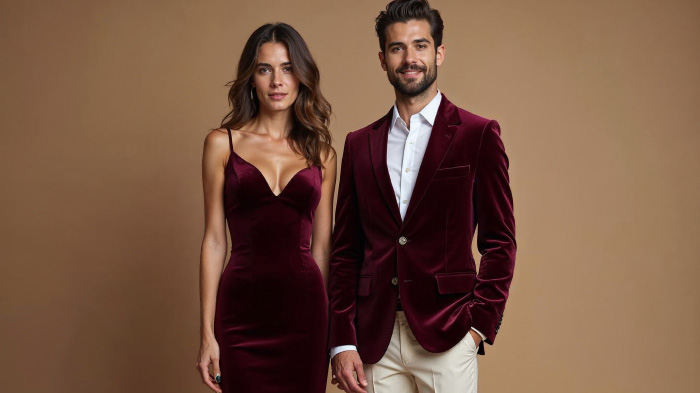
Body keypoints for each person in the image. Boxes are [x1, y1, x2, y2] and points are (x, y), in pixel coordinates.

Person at [329, 1, 516, 392]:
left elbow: (500, 241)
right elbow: (345, 250)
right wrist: (342, 339)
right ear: (383, 59)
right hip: (375, 339)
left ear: (439, 53)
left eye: (420, 45)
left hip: (448, 333)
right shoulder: (359, 144)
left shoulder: (477, 135)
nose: (409, 58)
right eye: (397, 48)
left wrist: (479, 326)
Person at [196, 23, 336, 393]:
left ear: (301, 76)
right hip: (240, 315)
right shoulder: (220, 144)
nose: (277, 80)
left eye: (288, 68)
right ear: (251, 79)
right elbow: (213, 241)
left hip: (306, 316)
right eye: (265, 69)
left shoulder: (322, 154)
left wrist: (336, 333)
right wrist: (207, 333)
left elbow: (322, 248)